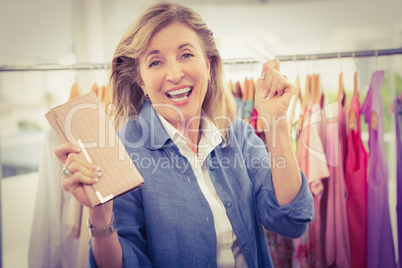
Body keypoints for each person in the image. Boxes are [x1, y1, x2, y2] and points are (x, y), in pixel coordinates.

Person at [55, 2, 314, 267]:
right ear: (141, 81)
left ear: (208, 64)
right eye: (155, 62)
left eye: (186, 55)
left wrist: (276, 121)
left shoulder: (238, 134)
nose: (175, 74)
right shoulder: (123, 151)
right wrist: (100, 216)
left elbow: (292, 220)